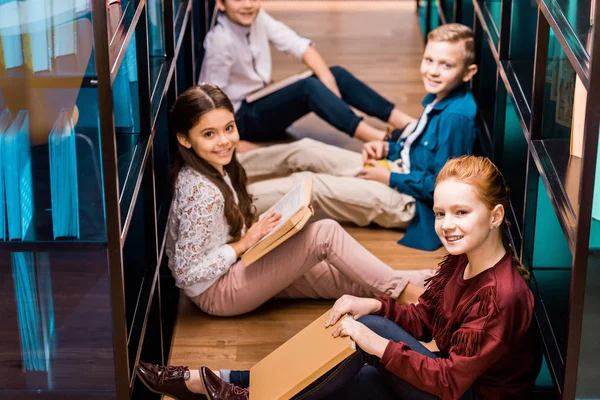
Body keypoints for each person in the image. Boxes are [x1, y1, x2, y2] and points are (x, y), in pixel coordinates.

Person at [137, 156, 542, 400]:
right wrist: (374, 303)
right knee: (341, 378)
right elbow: (425, 320)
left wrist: (375, 340)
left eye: (461, 213)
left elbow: (451, 382)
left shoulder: (503, 295)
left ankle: (228, 389)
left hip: (461, 393)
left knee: (361, 339)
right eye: (440, 213)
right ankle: (217, 382)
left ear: (495, 216)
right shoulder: (464, 258)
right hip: (447, 379)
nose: (446, 225)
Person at [164, 82, 435, 320]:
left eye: (229, 128)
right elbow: (186, 274)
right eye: (209, 134)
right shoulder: (204, 193)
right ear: (184, 139)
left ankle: (436, 283)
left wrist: (257, 236)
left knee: (347, 275)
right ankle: (407, 296)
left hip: (238, 266)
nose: (224, 141)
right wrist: (242, 245)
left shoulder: (212, 167)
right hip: (218, 292)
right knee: (324, 234)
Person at [237, 23, 479, 251]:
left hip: (409, 201)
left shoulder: (455, 118)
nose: (433, 71)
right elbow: (422, 151)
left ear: (468, 73)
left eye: (446, 65)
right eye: (429, 60)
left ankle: (231, 208)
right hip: (398, 170)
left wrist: (389, 178)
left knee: (310, 185)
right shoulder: (441, 96)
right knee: (305, 149)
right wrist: (388, 150)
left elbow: (442, 188)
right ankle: (228, 172)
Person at [199, 0, 415, 142]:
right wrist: (234, 143)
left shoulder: (259, 19)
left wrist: (329, 82)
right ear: (220, 3)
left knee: (334, 73)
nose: (247, 5)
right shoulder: (220, 41)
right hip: (239, 120)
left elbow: (299, 46)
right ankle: (380, 140)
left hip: (260, 98)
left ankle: (407, 123)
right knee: (308, 88)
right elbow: (210, 100)